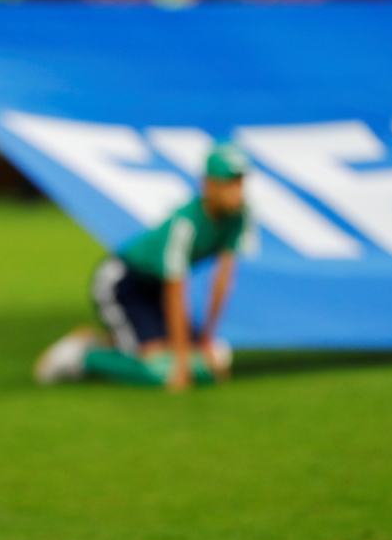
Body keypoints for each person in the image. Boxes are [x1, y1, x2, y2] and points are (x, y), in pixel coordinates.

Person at [34, 144, 252, 391]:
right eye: (229, 183)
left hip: (156, 286)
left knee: (217, 358)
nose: (237, 191)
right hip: (124, 282)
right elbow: (175, 292)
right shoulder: (185, 224)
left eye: (240, 183)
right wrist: (180, 364)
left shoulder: (240, 216)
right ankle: (84, 355)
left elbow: (222, 281)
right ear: (208, 185)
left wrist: (206, 340)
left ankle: (114, 344)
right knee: (163, 369)